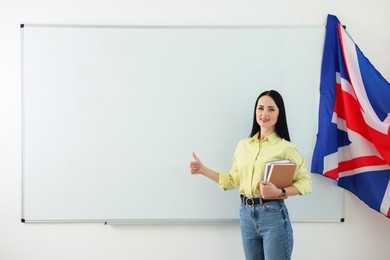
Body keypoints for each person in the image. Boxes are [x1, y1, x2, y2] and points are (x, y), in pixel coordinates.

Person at [189, 90, 312, 260]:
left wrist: (279, 193)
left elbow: (306, 183)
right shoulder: (243, 145)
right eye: (260, 108)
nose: (264, 113)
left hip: (273, 215)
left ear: (279, 113)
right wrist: (203, 170)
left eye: (271, 109)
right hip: (246, 215)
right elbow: (232, 181)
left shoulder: (285, 148)